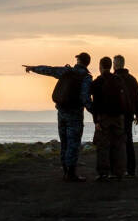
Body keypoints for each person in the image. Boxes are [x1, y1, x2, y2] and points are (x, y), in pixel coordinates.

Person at [23, 52, 93, 182]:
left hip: (61, 112)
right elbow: (85, 98)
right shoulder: (86, 77)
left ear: (78, 60)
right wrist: (95, 112)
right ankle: (71, 174)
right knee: (73, 143)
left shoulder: (66, 71)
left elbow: (49, 70)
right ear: (87, 63)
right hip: (75, 115)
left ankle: (66, 171)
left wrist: (33, 68)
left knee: (64, 142)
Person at [90, 57, 128, 181]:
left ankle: (103, 173)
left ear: (101, 66)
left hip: (103, 117)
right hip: (118, 117)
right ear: (111, 66)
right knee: (119, 145)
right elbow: (125, 99)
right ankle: (119, 172)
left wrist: (96, 120)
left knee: (103, 146)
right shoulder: (118, 80)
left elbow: (95, 103)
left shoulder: (98, 82)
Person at [113, 55, 138, 178]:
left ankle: (117, 169)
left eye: (114, 63)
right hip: (129, 114)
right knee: (128, 141)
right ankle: (131, 170)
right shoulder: (132, 79)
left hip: (116, 114)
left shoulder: (114, 79)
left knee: (116, 141)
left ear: (115, 64)